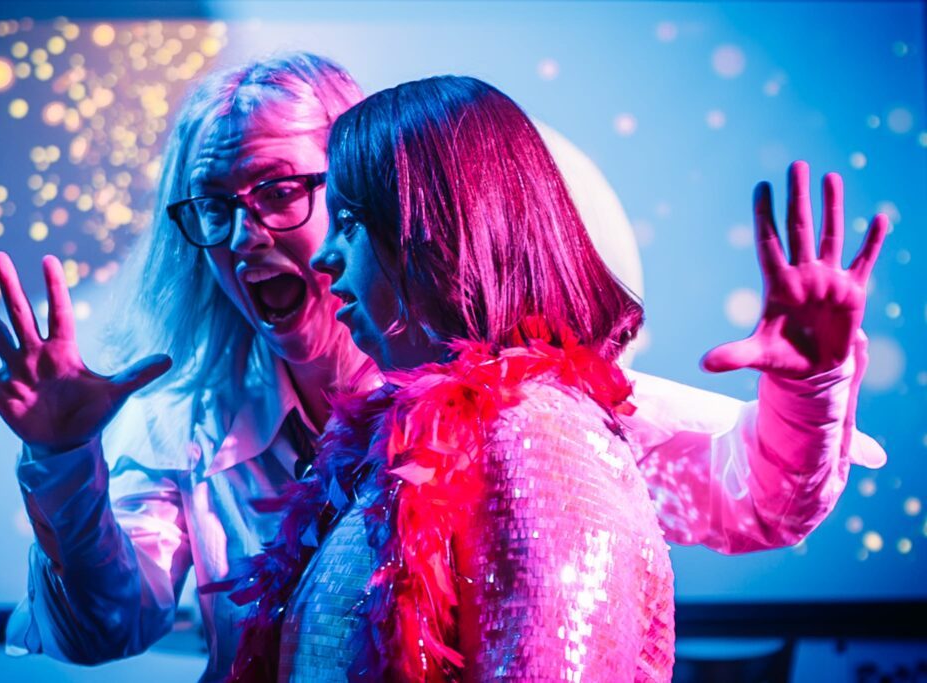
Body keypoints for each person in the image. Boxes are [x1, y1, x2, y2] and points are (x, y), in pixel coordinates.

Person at [0, 55, 883, 681]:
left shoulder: (537, 417)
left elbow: (761, 501)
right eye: (212, 208)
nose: (239, 236)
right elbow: (102, 629)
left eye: (280, 192)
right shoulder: (186, 426)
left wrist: (812, 378)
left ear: (386, 196)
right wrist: (61, 460)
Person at [224, 75, 888, 681]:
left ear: (435, 233)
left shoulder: (539, 438)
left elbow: (759, 495)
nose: (326, 257)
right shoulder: (415, 432)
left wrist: (812, 385)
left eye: (348, 222)